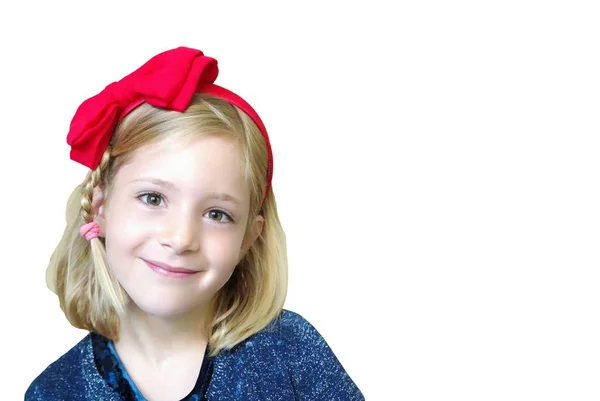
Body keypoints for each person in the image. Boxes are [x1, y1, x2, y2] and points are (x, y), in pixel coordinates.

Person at [25, 46, 364, 401]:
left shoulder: (291, 352)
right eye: (153, 199)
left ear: (249, 237)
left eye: (217, 214)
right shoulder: (53, 391)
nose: (181, 238)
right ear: (100, 209)